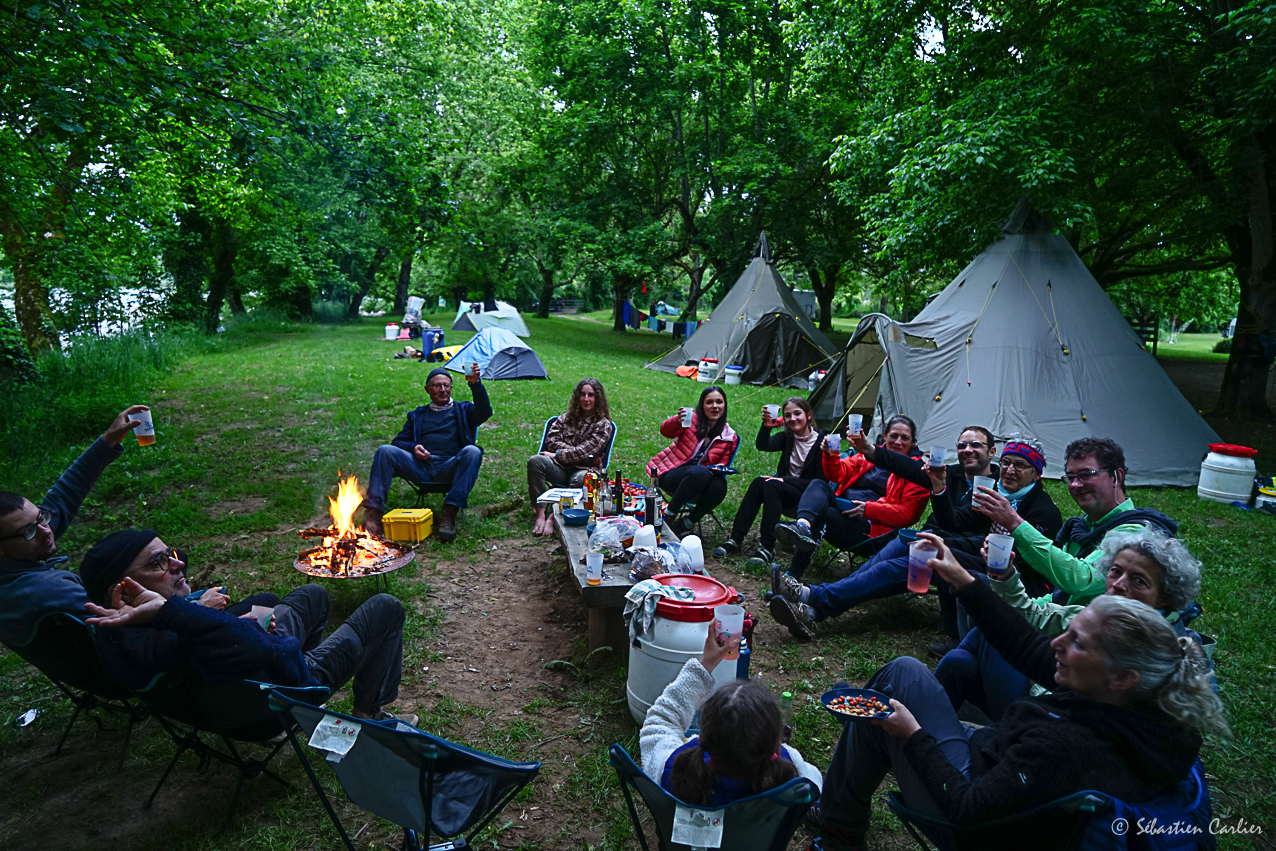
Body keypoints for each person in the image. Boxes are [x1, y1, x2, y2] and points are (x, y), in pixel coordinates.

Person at [813, 533, 1226, 851]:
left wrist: (913, 736)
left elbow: (967, 809)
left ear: (1123, 677)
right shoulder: (1137, 697)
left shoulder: (1061, 745)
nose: (1057, 644)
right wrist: (962, 578)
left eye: (1076, 643)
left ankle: (839, 828)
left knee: (901, 682)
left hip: (974, 822)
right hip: (1005, 772)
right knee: (900, 686)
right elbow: (1026, 646)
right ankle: (839, 820)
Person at [82, 530, 415, 725]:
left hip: (252, 679)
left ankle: (315, 706)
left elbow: (219, 639)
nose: (179, 563)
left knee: (312, 594)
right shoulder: (162, 639)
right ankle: (368, 714)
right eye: (159, 562)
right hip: (282, 694)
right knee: (385, 608)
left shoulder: (120, 635)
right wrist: (177, 611)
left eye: (169, 553)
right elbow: (260, 648)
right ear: (124, 592)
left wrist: (197, 615)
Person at [770, 438, 1063, 645]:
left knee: (904, 562)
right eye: (1007, 463)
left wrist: (944, 547)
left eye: (1020, 465)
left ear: (1037, 474)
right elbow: (955, 521)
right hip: (966, 553)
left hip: (1012, 580)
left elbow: (1021, 560)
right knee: (902, 550)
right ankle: (813, 607)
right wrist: (939, 489)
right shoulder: (989, 489)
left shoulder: (1042, 512)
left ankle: (813, 597)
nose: (1010, 469)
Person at [937, 527, 1207, 721]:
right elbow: (1035, 615)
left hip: (1053, 720)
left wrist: (1039, 673)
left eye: (1138, 581)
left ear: (1166, 597)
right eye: (1115, 571)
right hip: (1042, 698)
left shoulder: (1159, 649)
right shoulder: (1101, 615)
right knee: (958, 662)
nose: (1119, 584)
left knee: (984, 636)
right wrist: (1004, 573)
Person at [0, 405, 148, 647]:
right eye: (29, 531)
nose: (46, 530)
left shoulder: (15, 553)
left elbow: (63, 496)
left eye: (41, 517)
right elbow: (134, 632)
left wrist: (107, 441)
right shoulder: (49, 590)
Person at [973, 436, 1175, 604]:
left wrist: (1015, 523)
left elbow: (1081, 579)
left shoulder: (1135, 532)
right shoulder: (1080, 528)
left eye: (1086, 474)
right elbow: (1059, 597)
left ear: (1117, 477)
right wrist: (1018, 606)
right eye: (1070, 477)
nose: (1076, 484)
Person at [640, 629, 823, 806]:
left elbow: (658, 723)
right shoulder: (793, 783)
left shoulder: (672, 771)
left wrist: (704, 665)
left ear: (701, 737)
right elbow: (815, 780)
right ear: (776, 745)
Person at [771, 415, 929, 583]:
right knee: (819, 484)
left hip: (870, 529)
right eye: (894, 436)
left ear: (913, 443)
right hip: (843, 509)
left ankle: (791, 576)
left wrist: (869, 510)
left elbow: (909, 514)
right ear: (885, 435)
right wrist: (830, 455)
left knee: (823, 514)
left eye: (905, 438)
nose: (898, 442)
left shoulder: (917, 472)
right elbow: (838, 474)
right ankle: (802, 526)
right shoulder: (869, 455)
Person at [363, 364, 491, 543]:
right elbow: (398, 442)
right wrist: (413, 447)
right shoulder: (418, 415)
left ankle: (449, 511)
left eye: (446, 385)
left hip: (450, 466)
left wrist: (475, 384)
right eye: (437, 386)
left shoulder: (464, 410)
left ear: (451, 388)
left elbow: (485, 412)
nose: (443, 390)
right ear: (427, 390)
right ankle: (373, 514)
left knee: (473, 451)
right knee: (385, 450)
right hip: (420, 467)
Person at [712, 397, 827, 567]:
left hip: (806, 499)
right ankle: (736, 538)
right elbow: (763, 445)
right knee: (759, 482)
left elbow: (819, 483)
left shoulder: (822, 443)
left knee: (773, 485)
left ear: (808, 415)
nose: (793, 419)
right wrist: (766, 426)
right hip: (783, 490)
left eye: (797, 414)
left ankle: (767, 546)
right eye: (788, 415)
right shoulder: (788, 437)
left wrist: (784, 480)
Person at [647, 386, 739, 537]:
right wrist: (677, 420)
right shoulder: (691, 420)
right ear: (702, 405)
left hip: (699, 482)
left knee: (720, 485)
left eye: (719, 402)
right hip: (672, 474)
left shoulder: (729, 436)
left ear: (725, 405)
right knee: (701, 472)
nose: (715, 406)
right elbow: (665, 431)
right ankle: (669, 515)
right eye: (709, 402)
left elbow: (723, 463)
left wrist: (718, 468)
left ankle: (686, 523)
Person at [528, 378, 613, 536]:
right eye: (582, 394)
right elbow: (551, 441)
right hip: (560, 468)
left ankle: (554, 516)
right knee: (535, 461)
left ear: (598, 398)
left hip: (585, 470)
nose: (586, 399)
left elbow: (588, 452)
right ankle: (540, 513)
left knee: (582, 479)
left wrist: (557, 454)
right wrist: (574, 453)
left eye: (591, 395)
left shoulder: (604, 425)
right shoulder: (566, 418)